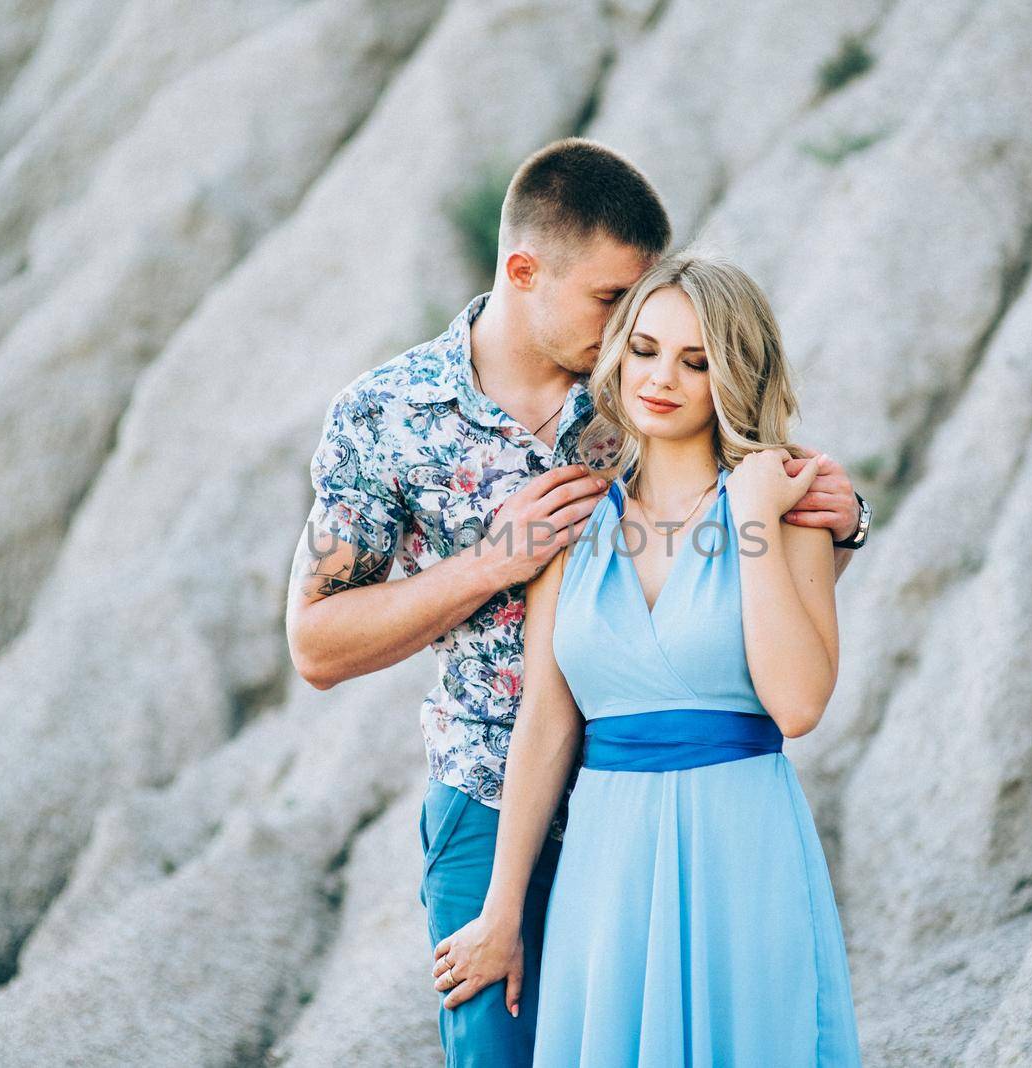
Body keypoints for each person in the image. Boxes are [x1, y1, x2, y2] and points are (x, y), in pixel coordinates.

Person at [286, 138, 871, 1067]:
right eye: (616, 308)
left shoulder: (632, 400)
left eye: (650, 320)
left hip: (678, 805)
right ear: (525, 271)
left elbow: (741, 524)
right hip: (490, 791)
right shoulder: (384, 414)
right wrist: (488, 566)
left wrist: (831, 517)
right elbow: (314, 644)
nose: (639, 348)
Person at [428, 250, 864, 1065]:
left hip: (743, 847)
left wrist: (757, 518)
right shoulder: (575, 522)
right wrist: (502, 913)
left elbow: (799, 705)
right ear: (619, 350)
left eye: (696, 361)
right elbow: (547, 721)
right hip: (609, 859)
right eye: (647, 349)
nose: (662, 377)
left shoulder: (788, 511)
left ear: (731, 376)